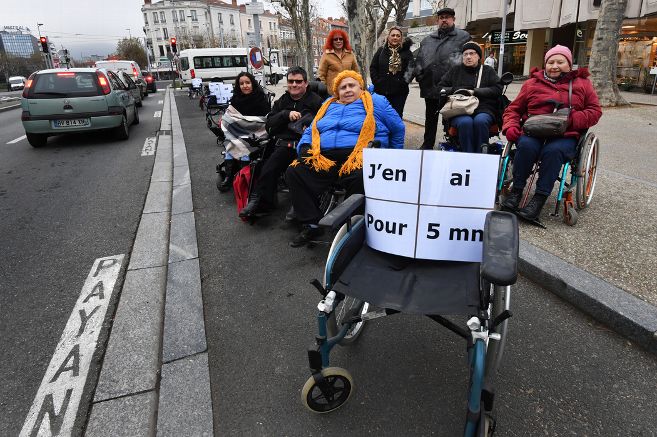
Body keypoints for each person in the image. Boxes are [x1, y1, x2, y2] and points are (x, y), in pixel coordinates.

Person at [285, 70, 405, 247]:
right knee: (294, 171)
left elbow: (398, 129)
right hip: (324, 157)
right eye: (343, 87)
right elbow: (311, 130)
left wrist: (394, 158)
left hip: (358, 155)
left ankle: (348, 227)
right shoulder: (328, 104)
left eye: (352, 85)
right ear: (337, 92)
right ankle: (311, 223)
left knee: (362, 176)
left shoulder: (375, 101)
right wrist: (304, 147)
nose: (347, 90)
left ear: (360, 86)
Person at [501, 45, 602, 220]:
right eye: (550, 62)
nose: (554, 66)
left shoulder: (582, 84)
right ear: (545, 64)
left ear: (569, 64)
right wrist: (510, 126)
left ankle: (539, 198)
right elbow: (513, 109)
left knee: (553, 152)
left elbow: (595, 111)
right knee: (525, 145)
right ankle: (516, 191)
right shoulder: (531, 83)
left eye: (560, 62)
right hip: (533, 131)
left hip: (565, 134)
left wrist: (572, 119)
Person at [238, 67, 324, 218]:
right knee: (267, 167)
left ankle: (299, 205)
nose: (294, 85)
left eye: (298, 81)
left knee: (298, 171)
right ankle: (260, 202)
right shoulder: (281, 102)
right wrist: (285, 115)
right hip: (283, 144)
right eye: (291, 81)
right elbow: (269, 125)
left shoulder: (316, 101)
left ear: (305, 83)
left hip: (306, 144)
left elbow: (324, 124)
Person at [413, 7, 471, 150]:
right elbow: (420, 60)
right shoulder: (428, 40)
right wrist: (420, 77)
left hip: (452, 87)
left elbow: (470, 58)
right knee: (430, 118)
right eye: (441, 17)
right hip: (431, 86)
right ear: (438, 20)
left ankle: (453, 143)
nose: (444, 19)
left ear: (453, 19)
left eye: (447, 17)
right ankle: (427, 144)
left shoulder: (463, 37)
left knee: (451, 117)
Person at [439, 41, 502, 153]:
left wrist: (475, 91)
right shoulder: (455, 70)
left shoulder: (488, 71)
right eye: (465, 54)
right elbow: (440, 88)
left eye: (472, 53)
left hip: (484, 108)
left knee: (481, 121)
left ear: (478, 56)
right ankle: (468, 156)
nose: (468, 56)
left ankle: (481, 154)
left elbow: (497, 89)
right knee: (465, 122)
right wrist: (456, 90)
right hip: (460, 109)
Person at [217, 71, 271, 192]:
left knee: (245, 150)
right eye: (241, 83)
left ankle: (245, 179)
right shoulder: (235, 99)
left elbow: (263, 120)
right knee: (229, 149)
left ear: (252, 84)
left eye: (247, 82)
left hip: (255, 133)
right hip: (237, 132)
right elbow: (230, 117)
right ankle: (229, 177)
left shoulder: (260, 99)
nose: (245, 86)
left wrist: (246, 124)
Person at [370, 26, 415, 117]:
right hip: (381, 91)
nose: (395, 37)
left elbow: (411, 70)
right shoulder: (381, 51)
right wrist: (377, 81)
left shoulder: (406, 52)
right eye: (393, 35)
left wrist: (402, 82)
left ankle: (395, 132)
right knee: (381, 116)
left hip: (399, 93)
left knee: (396, 116)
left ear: (401, 38)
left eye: (398, 36)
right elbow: (373, 67)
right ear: (388, 37)